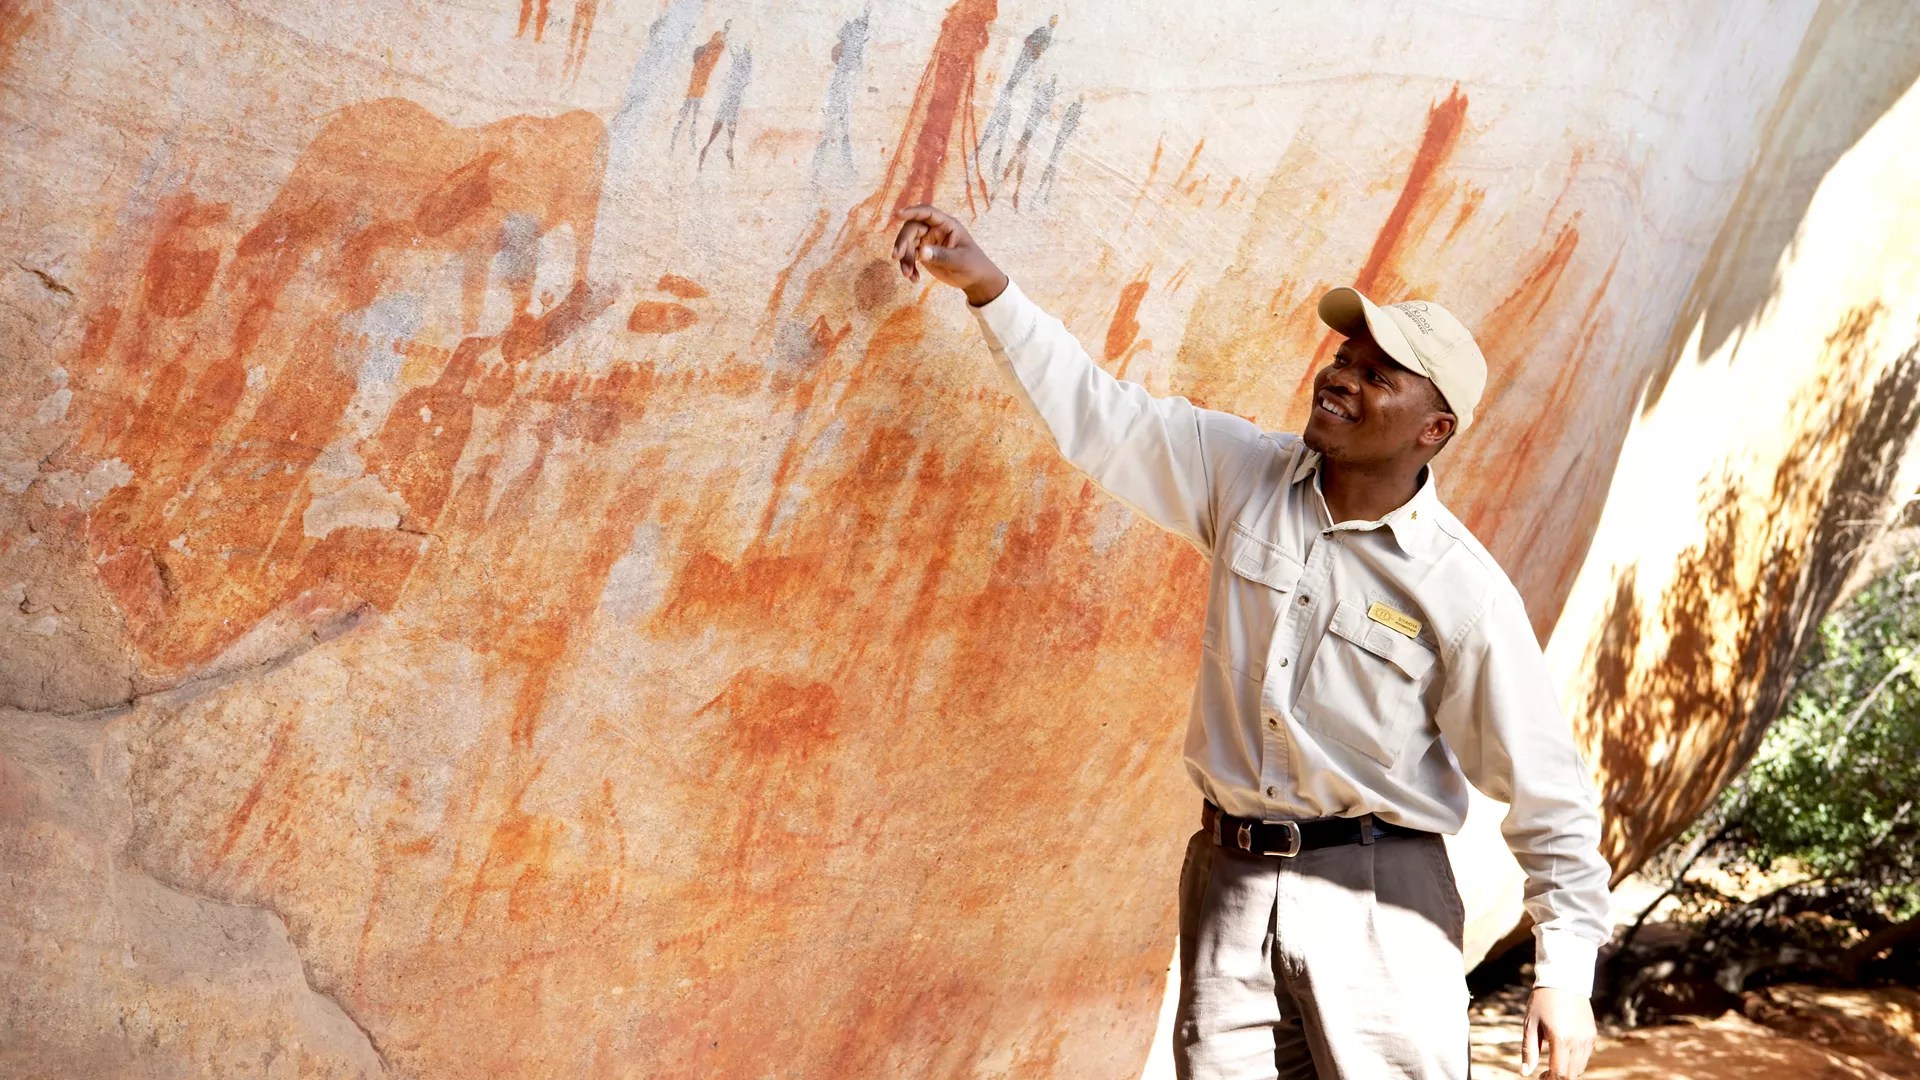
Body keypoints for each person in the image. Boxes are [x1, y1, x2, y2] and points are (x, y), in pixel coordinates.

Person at [890, 205, 1612, 1080]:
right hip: (1228, 886)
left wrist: (1565, 972)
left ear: (1435, 429)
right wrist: (989, 288)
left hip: (1381, 904)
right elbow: (1098, 415)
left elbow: (1547, 789)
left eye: (1378, 375)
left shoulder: (1463, 591)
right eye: (1344, 357)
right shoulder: (1241, 474)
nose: (1340, 378)